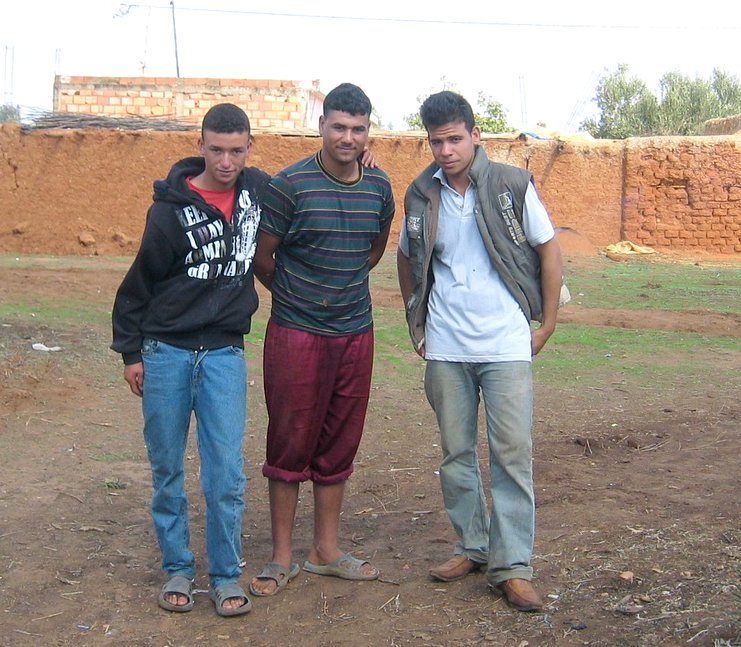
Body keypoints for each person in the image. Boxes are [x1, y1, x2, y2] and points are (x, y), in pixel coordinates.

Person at [396, 91, 563, 612]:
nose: (445, 150)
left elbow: (548, 250)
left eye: (454, 139)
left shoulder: (511, 184)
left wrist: (547, 324)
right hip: (446, 344)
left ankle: (512, 565)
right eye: (436, 141)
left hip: (506, 342)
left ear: (474, 135)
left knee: (512, 453)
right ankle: (472, 545)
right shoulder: (422, 193)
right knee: (455, 453)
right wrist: (414, 320)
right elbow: (406, 257)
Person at [111, 103, 269, 617]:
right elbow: (139, 284)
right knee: (167, 467)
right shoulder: (167, 212)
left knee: (226, 473)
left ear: (250, 148)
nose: (226, 161)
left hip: (224, 353)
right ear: (200, 145)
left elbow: (315, 177)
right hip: (165, 354)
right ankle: (177, 566)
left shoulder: (258, 193)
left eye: (237, 150)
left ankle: (225, 574)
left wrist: (363, 165)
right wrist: (133, 352)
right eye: (217, 150)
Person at [249, 82, 395, 597]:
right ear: (322, 126)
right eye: (339, 126)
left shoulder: (380, 187)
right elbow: (263, 256)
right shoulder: (289, 185)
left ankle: (325, 550)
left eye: (358, 129)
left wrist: (340, 286)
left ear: (368, 131)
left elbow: (373, 250)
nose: (348, 137)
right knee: (290, 436)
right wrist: (299, 296)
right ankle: (282, 556)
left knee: (340, 439)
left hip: (356, 332)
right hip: (296, 333)